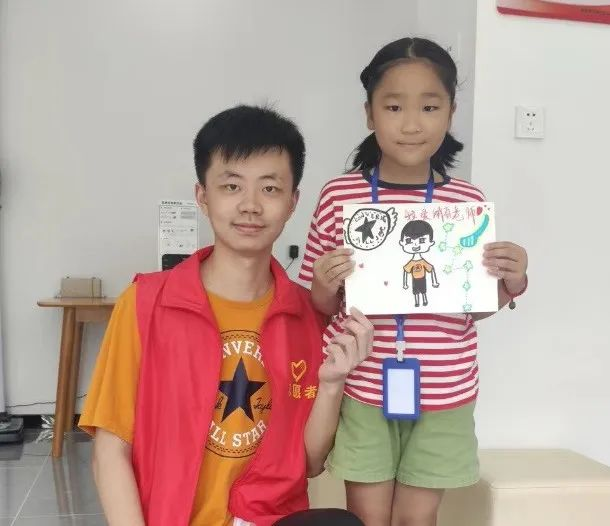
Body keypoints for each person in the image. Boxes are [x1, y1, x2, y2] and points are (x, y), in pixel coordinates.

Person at [79, 105, 372, 526]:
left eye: (270, 189)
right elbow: (110, 450)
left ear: (292, 202)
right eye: (232, 186)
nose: (250, 206)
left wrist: (331, 383)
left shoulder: (305, 315)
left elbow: (308, 463)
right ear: (203, 196)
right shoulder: (145, 304)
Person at [299, 38, 529, 526]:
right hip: (364, 385)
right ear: (369, 114)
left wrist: (511, 282)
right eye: (393, 106)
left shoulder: (465, 203)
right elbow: (319, 305)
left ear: (450, 113)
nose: (411, 124)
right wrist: (323, 281)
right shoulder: (339, 195)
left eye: (429, 106)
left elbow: (471, 307)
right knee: (367, 517)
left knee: (417, 520)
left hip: (446, 390)